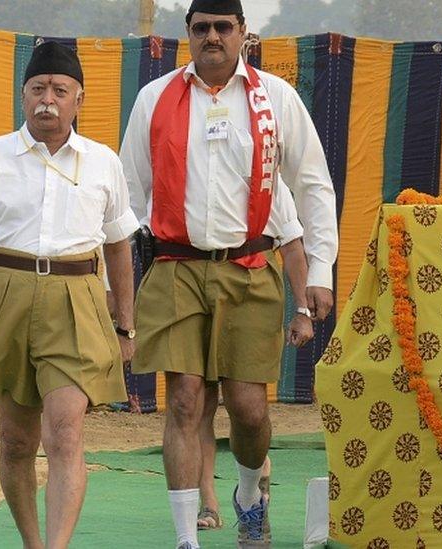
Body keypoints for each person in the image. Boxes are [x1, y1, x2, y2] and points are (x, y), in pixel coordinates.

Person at [119, 0, 338, 545]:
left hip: (249, 267)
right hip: (175, 265)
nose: (212, 37)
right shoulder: (155, 98)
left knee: (247, 407)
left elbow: (312, 184)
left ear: (244, 32)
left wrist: (322, 271)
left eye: (223, 27)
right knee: (185, 399)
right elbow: (125, 196)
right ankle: (185, 538)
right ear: (187, 35)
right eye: (201, 28)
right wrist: (112, 284)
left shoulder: (276, 98)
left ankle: (247, 494)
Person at [0, 41, 138, 549]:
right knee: (18, 442)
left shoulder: (103, 163)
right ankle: (32, 542)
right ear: (24, 96)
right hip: (7, 293)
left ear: (78, 99)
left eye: (59, 91)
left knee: (64, 432)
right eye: (38, 89)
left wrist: (125, 324)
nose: (48, 99)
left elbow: (118, 247)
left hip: (78, 297)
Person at [197, 237, 311, 532]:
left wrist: (304, 307)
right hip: (187, 269)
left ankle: (248, 490)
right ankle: (207, 501)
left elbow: (292, 232)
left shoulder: (269, 190)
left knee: (248, 411)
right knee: (193, 400)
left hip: (250, 274)